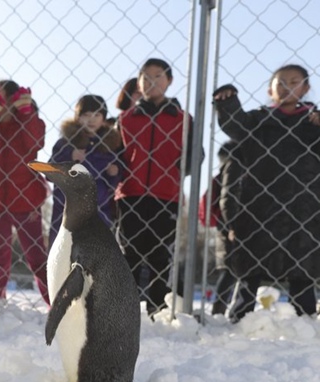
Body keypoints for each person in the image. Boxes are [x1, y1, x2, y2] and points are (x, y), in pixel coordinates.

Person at [214, 64, 320, 321]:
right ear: (270, 90)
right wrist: (228, 102)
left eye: (294, 82)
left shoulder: (313, 123)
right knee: (251, 263)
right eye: (280, 82)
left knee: (302, 267)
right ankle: (240, 317)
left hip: (304, 207)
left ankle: (305, 321)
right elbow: (235, 125)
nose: (287, 87)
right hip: (260, 203)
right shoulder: (259, 121)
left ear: (306, 88)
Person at [115, 58, 197, 317]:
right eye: (145, 77)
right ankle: (122, 310)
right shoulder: (126, 119)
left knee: (160, 255)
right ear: (138, 82)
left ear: (169, 80)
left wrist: (179, 168)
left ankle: (157, 308)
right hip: (130, 194)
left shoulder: (183, 119)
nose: (151, 82)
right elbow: (117, 155)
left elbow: (196, 156)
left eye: (158, 76)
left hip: (167, 196)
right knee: (129, 253)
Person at [0, 79, 49, 303]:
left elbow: (35, 142)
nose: (0, 104)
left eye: (5, 99)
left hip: (27, 199)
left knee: (36, 256)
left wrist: (26, 114)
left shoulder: (28, 122)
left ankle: (52, 300)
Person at [49, 94, 122, 243]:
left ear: (103, 119)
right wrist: (70, 156)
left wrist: (114, 174)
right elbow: (49, 172)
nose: (92, 119)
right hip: (66, 210)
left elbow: (114, 183)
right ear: (78, 117)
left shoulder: (108, 147)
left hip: (98, 212)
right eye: (86, 115)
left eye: (97, 115)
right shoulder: (66, 143)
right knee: (64, 255)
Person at [199, 141, 239, 316]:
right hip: (228, 227)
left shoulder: (217, 178)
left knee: (228, 271)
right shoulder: (231, 176)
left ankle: (220, 310)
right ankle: (219, 310)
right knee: (231, 271)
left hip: (223, 227)